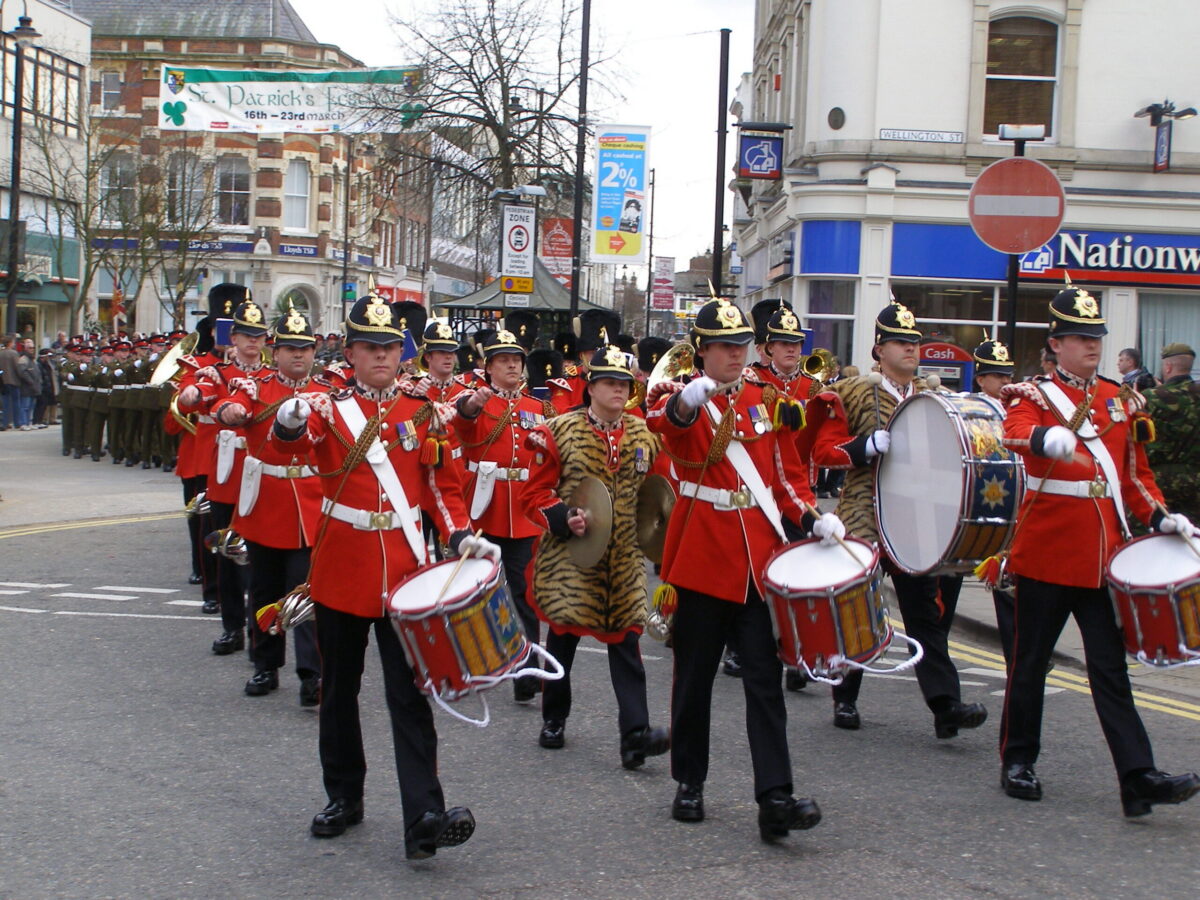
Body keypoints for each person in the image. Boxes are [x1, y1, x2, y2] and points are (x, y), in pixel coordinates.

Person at [270, 294, 491, 860]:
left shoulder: (418, 411)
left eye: (391, 347)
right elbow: (290, 441)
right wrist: (290, 420)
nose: (382, 357)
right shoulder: (328, 406)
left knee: (411, 696)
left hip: (404, 569)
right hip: (343, 568)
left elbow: (441, 486)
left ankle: (424, 812)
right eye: (371, 347)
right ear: (351, 351)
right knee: (339, 691)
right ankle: (344, 797)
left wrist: (462, 532)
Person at [999, 286, 1200, 816]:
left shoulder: (1119, 397)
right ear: (1056, 343)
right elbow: (1013, 435)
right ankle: (1018, 760)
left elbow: (1134, 478)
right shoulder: (1033, 396)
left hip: (1103, 554)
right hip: (1047, 553)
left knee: (1110, 669)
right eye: (1081, 338)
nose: (1092, 346)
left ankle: (1138, 777)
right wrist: (1046, 442)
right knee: (1030, 663)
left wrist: (1161, 515)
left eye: (1097, 338)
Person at [647, 298, 843, 843]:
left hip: (756, 563)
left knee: (764, 682)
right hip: (702, 559)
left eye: (741, 347)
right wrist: (688, 403)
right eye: (725, 347)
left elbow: (785, 476)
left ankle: (775, 798)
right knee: (694, 682)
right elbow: (666, 429)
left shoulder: (766, 400)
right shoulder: (678, 397)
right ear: (702, 351)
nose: (736, 355)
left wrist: (811, 516)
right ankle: (689, 781)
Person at [806, 302, 988, 737]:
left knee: (925, 615)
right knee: (861, 606)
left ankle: (946, 706)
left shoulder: (934, 400)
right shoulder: (851, 393)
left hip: (916, 516)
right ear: (879, 349)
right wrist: (863, 447)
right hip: (865, 510)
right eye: (901, 343)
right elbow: (822, 452)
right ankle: (845, 698)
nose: (911, 350)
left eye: (914, 342)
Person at [520, 340, 669, 768]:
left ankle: (634, 736)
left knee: (628, 646)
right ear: (590, 387)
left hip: (622, 561)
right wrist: (564, 517)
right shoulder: (561, 431)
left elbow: (658, 496)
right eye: (608, 383)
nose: (618, 391)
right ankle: (554, 718)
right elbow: (533, 494)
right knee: (563, 640)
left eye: (624, 383)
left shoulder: (643, 434)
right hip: (572, 557)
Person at [214, 307, 323, 704]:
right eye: (290, 349)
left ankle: (312, 673)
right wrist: (231, 411)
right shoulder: (257, 387)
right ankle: (266, 665)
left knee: (306, 592)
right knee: (264, 590)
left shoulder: (325, 392)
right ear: (274, 353)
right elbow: (229, 405)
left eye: (305, 349)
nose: (298, 356)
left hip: (310, 505)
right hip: (264, 504)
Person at [454, 317, 550, 704]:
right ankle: (470, 660)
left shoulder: (537, 406)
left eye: (516, 359)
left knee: (526, 593)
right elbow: (462, 429)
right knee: (476, 590)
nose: (512, 365)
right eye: (503, 360)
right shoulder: (476, 399)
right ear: (488, 366)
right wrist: (470, 408)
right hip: (484, 506)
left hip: (523, 509)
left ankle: (525, 667)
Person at [178, 289, 266, 650]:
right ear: (235, 337)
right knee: (228, 552)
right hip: (227, 474)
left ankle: (259, 632)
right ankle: (232, 627)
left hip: (261, 474)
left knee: (260, 559)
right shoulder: (217, 373)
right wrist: (190, 398)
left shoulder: (273, 375)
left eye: (258, 336)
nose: (252, 342)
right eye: (246, 335)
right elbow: (195, 391)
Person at [969, 337, 1016, 668]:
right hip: (974, 509)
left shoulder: (1017, 410)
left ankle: (1020, 654)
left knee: (1008, 588)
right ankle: (934, 649)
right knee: (945, 589)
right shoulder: (969, 410)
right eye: (997, 376)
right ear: (981, 378)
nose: (1004, 383)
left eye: (1007, 376)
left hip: (1009, 512)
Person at [1144, 343, 1200, 524]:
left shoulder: (1150, 397)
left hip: (1157, 481)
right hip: (1196, 480)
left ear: (1167, 367)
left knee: (1151, 536)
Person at [0, 335, 23, 431]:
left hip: (3, 381)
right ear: (10, 343)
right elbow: (18, 368)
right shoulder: (14, 354)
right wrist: (21, 377)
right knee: (16, 402)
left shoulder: (1, 354)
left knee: (5, 403)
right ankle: (17, 422)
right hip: (14, 381)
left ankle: (5, 423)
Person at [35, 348, 56, 427]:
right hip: (42, 388)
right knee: (42, 405)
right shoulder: (39, 364)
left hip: (48, 387)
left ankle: (44, 420)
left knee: (48, 403)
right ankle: (41, 420)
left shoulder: (49, 364)